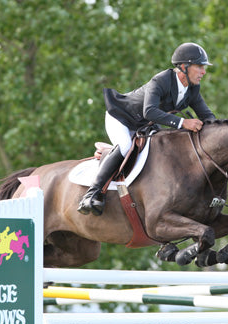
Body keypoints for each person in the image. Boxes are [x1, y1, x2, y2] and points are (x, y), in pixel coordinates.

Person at [77, 42, 216, 216]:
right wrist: (183, 123)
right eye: (199, 67)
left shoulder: (192, 89)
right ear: (183, 67)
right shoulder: (162, 80)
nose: (203, 72)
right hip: (121, 117)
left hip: (144, 125)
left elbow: (207, 115)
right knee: (126, 146)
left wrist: (220, 133)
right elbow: (149, 111)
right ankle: (92, 193)